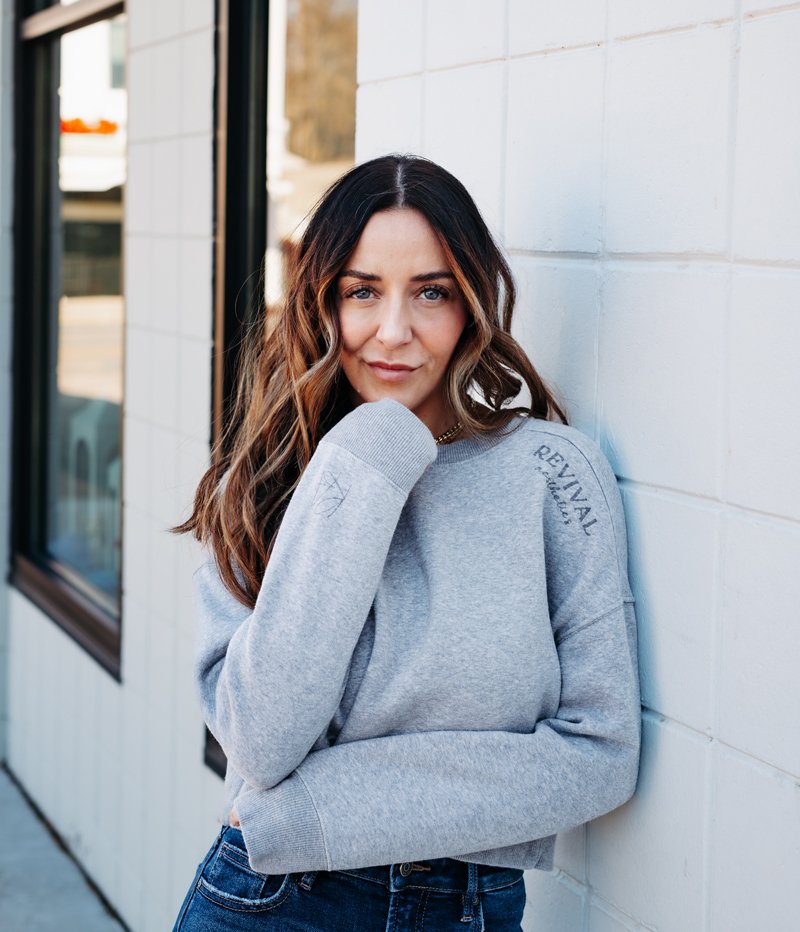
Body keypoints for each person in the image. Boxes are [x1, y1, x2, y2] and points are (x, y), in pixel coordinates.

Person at [170, 154, 641, 931]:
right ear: (323, 303)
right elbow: (261, 740)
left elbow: (601, 753)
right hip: (280, 901)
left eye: (431, 292)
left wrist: (313, 810)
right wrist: (367, 455)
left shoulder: (552, 473)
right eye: (362, 292)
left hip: (465, 906)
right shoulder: (262, 483)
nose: (394, 332)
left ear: (473, 304)